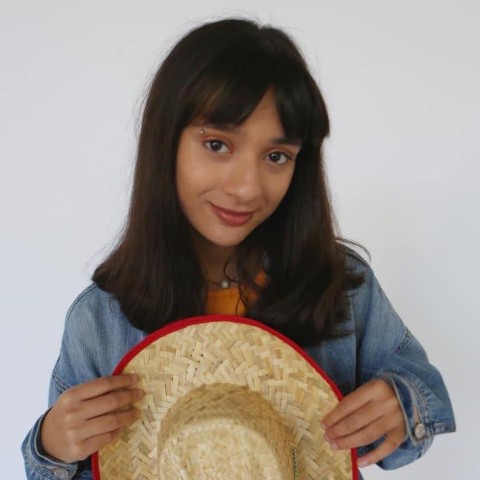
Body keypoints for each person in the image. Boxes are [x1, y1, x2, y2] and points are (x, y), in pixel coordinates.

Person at [22, 18, 455, 480]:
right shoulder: (100, 320)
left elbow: (420, 386)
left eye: (276, 157)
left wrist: (402, 401)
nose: (246, 188)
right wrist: (50, 445)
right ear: (165, 144)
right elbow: (67, 466)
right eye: (217, 145)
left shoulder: (340, 287)